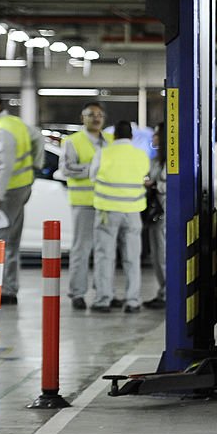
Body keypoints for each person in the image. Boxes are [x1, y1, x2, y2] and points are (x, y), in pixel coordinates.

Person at [0, 92, 45, 304]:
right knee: (11, 242)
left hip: (8, 193)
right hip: (21, 189)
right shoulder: (15, 123)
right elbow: (39, 138)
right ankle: (8, 288)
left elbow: (4, 167)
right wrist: (35, 166)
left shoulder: (2, 131)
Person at [89, 120, 150, 313]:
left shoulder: (103, 153)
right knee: (132, 257)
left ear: (114, 136)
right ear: (131, 136)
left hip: (108, 211)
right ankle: (132, 300)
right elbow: (144, 177)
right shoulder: (141, 155)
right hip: (133, 212)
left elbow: (92, 176)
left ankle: (104, 299)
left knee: (105, 256)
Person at [59, 102, 112, 309]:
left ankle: (103, 292)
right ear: (83, 118)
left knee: (105, 251)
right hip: (84, 203)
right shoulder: (73, 141)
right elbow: (66, 169)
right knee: (82, 249)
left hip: (108, 203)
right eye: (91, 115)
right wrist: (93, 169)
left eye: (99, 115)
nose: (96, 118)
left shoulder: (110, 141)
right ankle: (77, 293)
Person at [143, 123, 167, 309]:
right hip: (154, 213)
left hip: (164, 214)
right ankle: (163, 291)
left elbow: (173, 185)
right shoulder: (156, 160)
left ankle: (167, 293)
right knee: (156, 254)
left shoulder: (171, 162)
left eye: (157, 134)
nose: (153, 137)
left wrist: (154, 185)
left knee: (162, 254)